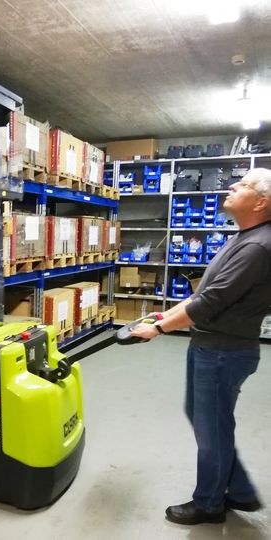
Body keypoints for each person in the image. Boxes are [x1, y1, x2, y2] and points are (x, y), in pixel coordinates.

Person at [131, 168, 271, 525]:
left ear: (261, 202)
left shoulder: (258, 246)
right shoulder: (245, 237)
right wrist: (164, 315)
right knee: (208, 421)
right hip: (212, 347)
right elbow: (203, 292)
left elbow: (211, 302)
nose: (232, 185)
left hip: (224, 352)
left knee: (211, 429)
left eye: (243, 185)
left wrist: (159, 328)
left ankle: (209, 503)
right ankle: (240, 491)